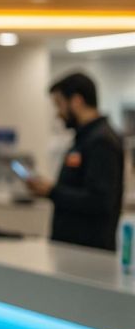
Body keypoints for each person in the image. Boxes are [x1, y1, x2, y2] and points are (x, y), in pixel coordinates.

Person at [26, 72, 126, 251]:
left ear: (76, 101)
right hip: (72, 250)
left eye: (59, 105)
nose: (58, 114)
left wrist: (52, 191)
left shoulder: (101, 142)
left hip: (90, 252)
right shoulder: (84, 139)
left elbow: (99, 201)